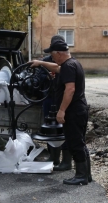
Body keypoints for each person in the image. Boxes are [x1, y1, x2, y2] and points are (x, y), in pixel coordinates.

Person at [30, 39, 92, 185]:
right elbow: (56, 68)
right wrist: (40, 63)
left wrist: (61, 111)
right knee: (80, 142)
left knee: (75, 143)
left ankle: (81, 176)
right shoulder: (72, 63)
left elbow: (70, 89)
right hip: (79, 110)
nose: (52, 57)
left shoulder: (68, 67)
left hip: (73, 111)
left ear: (58, 53)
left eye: (52, 54)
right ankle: (86, 175)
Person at [41, 35, 72, 171]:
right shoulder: (47, 61)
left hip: (63, 98)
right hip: (49, 98)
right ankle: (53, 156)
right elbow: (39, 79)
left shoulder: (68, 63)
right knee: (50, 127)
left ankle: (66, 160)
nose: (53, 57)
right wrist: (47, 76)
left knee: (64, 128)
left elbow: (70, 85)